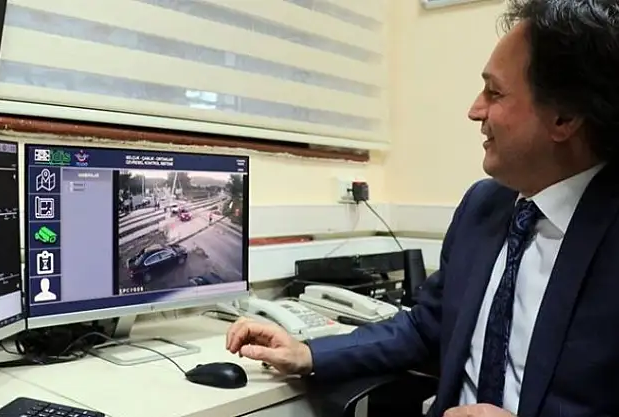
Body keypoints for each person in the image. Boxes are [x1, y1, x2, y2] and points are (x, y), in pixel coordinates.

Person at [225, 1, 619, 416]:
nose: (475, 110)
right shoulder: (483, 206)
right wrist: (308, 353)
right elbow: (425, 326)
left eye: (495, 92)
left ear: (564, 117)